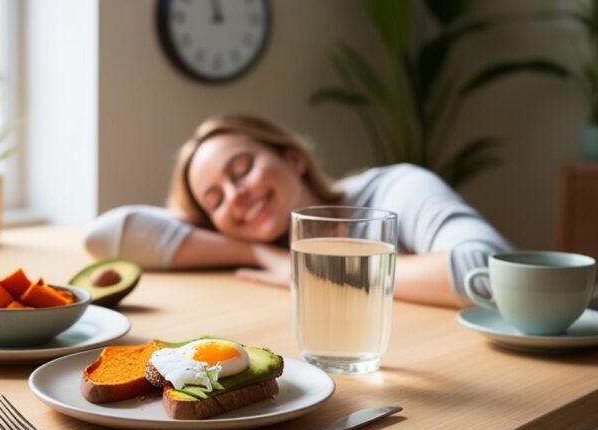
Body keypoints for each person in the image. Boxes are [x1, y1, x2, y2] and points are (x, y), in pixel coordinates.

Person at [84, 114, 512, 308]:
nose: (234, 196)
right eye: (213, 200)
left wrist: (310, 268)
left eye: (242, 169)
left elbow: (490, 275)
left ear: (293, 159)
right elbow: (107, 235)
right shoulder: (258, 246)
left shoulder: (395, 188)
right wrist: (250, 252)